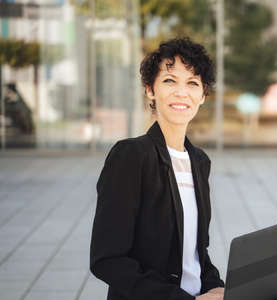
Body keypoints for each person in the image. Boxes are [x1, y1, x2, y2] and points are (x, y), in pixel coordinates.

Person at [90, 37, 224, 300]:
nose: (181, 92)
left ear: (203, 96)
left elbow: (197, 253)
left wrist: (216, 287)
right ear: (150, 89)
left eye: (192, 83)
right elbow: (108, 260)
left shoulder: (199, 161)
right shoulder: (131, 156)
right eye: (169, 80)